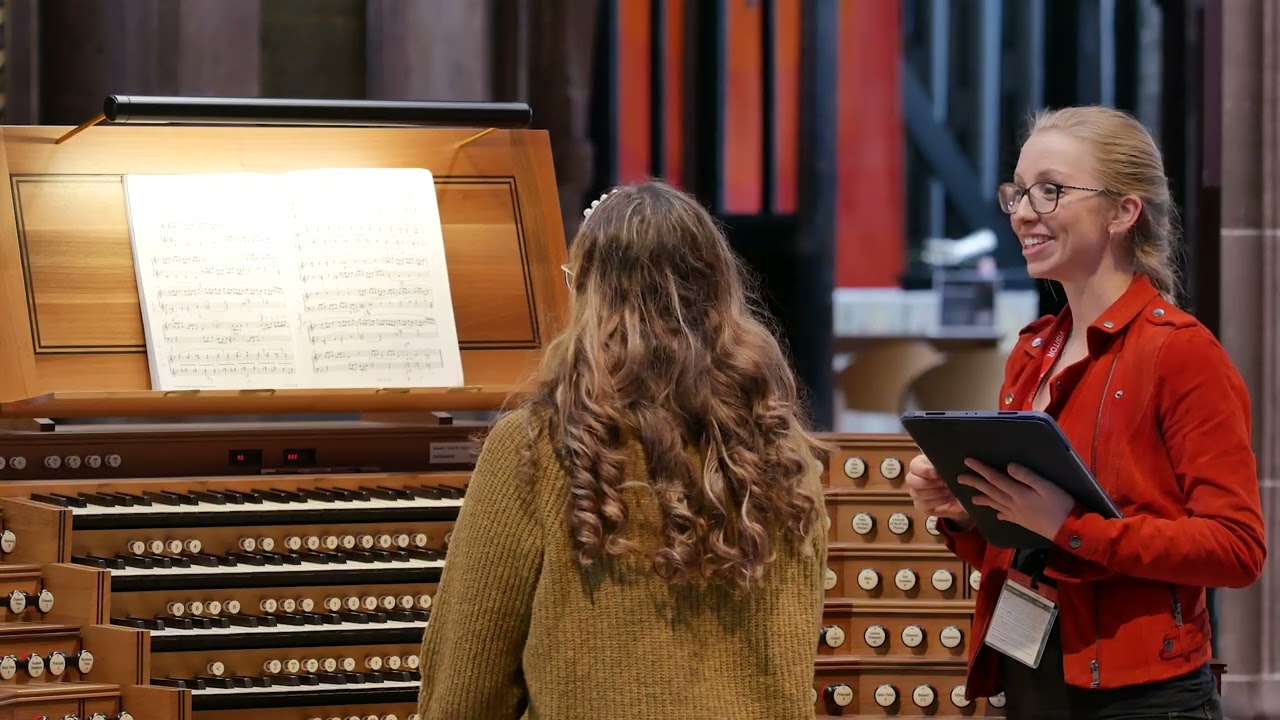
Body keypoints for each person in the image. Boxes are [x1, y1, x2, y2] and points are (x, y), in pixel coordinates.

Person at [415, 180, 829, 719]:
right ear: (719, 293)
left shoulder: (538, 445)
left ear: (588, 296)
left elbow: (465, 690)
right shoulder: (782, 451)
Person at [905, 105, 1266, 719]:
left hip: (1141, 700)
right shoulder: (1033, 349)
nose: (1023, 211)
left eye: (1050, 190)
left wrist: (1070, 525)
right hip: (1029, 679)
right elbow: (1029, 546)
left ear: (1124, 212)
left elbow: (1236, 549)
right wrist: (970, 510)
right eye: (1018, 191)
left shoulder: (1180, 353)